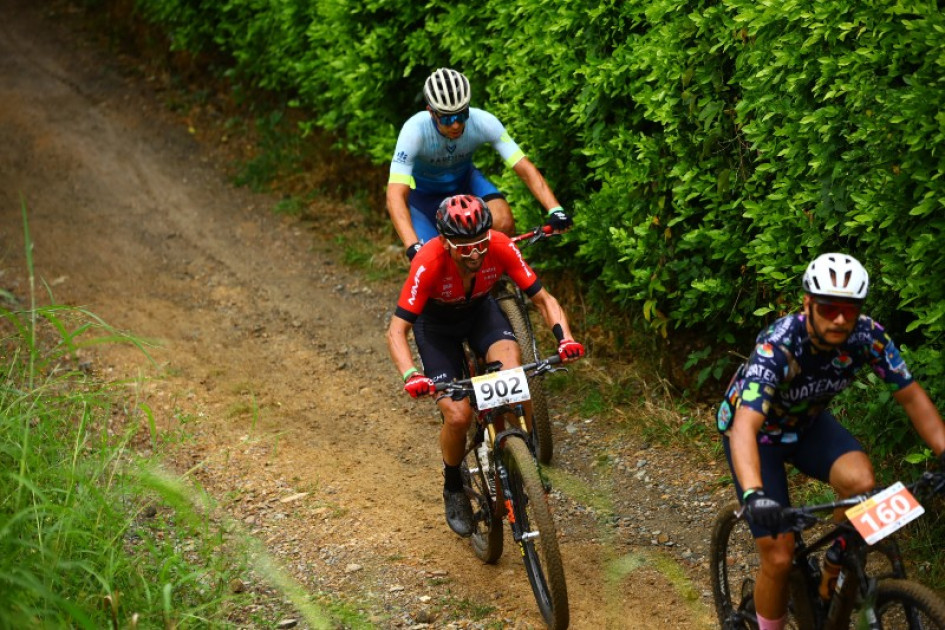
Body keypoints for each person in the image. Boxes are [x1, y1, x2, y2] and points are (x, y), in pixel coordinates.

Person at [716, 252, 945, 630]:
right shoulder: (779, 345)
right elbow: (744, 426)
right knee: (778, 556)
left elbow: (912, 397)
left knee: (861, 483)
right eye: (828, 307)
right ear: (808, 304)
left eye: (849, 309)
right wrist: (756, 495)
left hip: (807, 424)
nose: (839, 318)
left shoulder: (869, 337)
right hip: (758, 436)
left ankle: (833, 571)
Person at [386, 194, 584, 536]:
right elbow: (396, 331)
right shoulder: (428, 261)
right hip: (436, 327)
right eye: (464, 247)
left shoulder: (501, 246)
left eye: (480, 243)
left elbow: (543, 299)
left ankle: (524, 458)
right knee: (459, 415)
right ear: (446, 242)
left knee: (516, 380)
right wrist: (411, 375)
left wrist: (564, 338)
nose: (475, 253)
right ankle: (453, 486)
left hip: (480, 312)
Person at [387, 67, 572, 262]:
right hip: (424, 198)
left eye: (461, 115)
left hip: (466, 185)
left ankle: (493, 280)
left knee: (504, 222)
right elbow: (395, 194)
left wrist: (555, 209)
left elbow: (524, 167)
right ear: (431, 112)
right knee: (434, 262)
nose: (456, 125)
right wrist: (411, 245)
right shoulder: (414, 131)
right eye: (447, 118)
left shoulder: (484, 122)